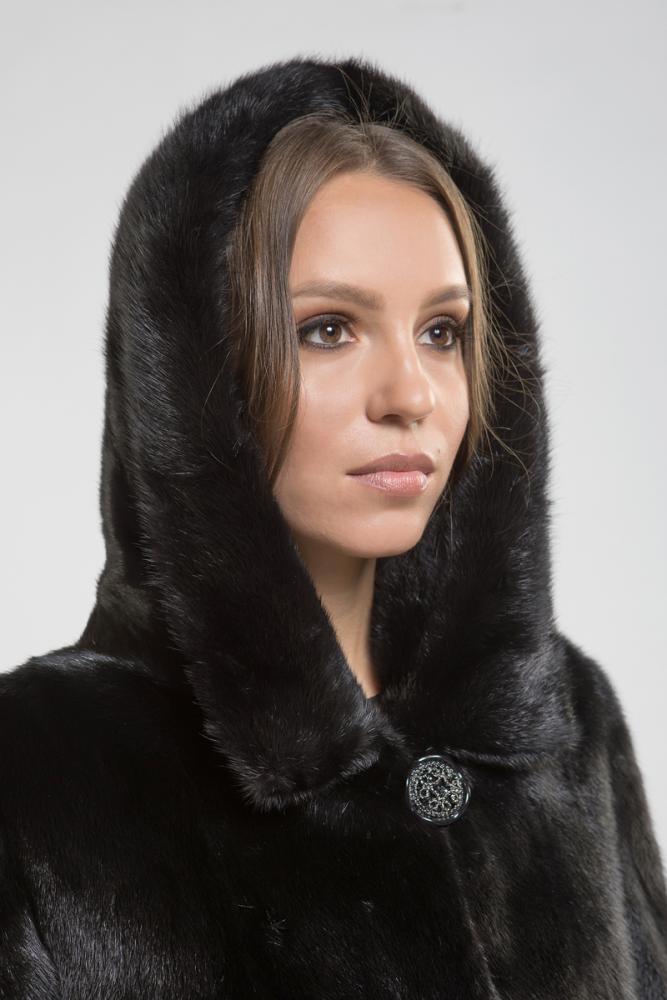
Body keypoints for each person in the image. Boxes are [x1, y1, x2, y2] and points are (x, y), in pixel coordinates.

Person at [1, 54, 665, 998]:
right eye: (328, 329)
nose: (410, 394)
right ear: (198, 371)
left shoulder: (567, 726)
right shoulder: (41, 770)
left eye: (441, 332)